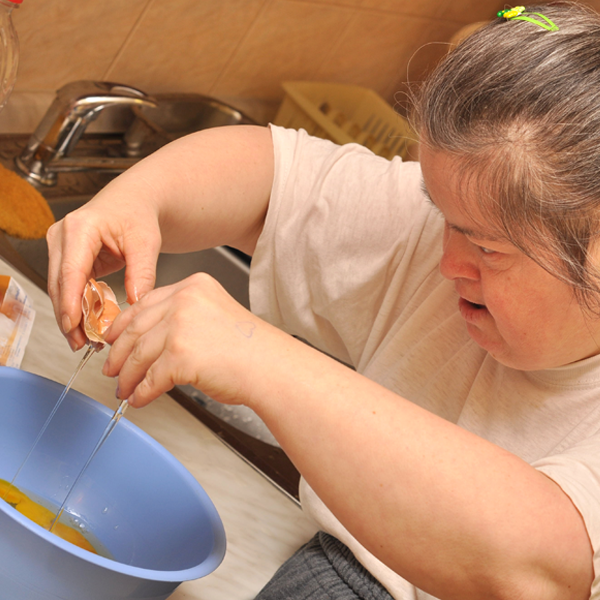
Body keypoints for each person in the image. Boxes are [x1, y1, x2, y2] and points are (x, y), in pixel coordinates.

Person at [45, 2, 600, 598]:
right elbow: (271, 178)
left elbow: (534, 565)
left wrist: (258, 357)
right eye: (443, 216)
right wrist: (136, 200)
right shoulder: (466, 214)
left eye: (488, 251)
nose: (446, 262)